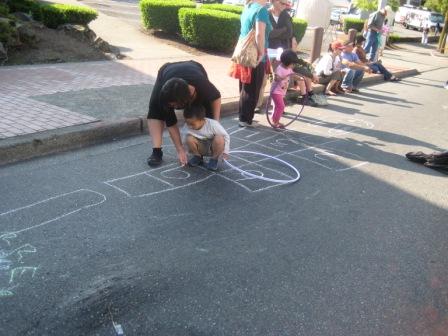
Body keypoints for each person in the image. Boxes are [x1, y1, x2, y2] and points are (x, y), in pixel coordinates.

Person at [147, 61, 221, 167]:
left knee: (203, 118)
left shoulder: (202, 85)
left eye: (175, 105)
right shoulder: (163, 94)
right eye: (171, 105)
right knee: (156, 109)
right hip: (167, 71)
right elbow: (171, 122)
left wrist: (215, 123)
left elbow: (216, 97)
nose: (174, 108)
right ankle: (156, 151)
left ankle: (202, 151)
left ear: (184, 101)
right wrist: (180, 149)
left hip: (194, 68)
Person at [234, 0, 272, 128]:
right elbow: (259, 34)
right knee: (253, 88)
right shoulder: (261, 10)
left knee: (245, 87)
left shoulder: (248, 7)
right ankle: (245, 120)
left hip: (245, 51)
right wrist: (261, 52)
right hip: (255, 53)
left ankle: (243, 117)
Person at [183, 104, 230, 171]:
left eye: (192, 124)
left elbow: (226, 136)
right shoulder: (187, 126)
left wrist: (226, 152)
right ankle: (197, 157)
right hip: (200, 147)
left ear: (202, 119)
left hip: (212, 148)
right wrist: (184, 152)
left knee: (219, 138)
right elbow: (183, 138)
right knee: (188, 138)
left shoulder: (213, 124)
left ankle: (214, 159)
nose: (190, 126)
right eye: (187, 123)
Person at [270, 49, 305, 128]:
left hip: (281, 91)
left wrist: (299, 78)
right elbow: (276, 78)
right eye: (293, 64)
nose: (294, 65)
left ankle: (274, 119)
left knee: (277, 106)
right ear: (287, 62)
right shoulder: (280, 69)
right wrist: (280, 78)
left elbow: (292, 75)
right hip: (276, 91)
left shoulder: (288, 68)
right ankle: (276, 122)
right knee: (281, 106)